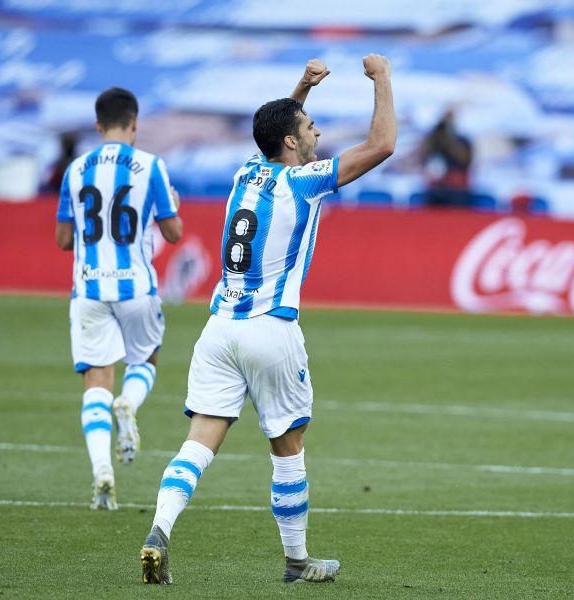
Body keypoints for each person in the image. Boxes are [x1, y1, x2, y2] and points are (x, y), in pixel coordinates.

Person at [138, 55, 395, 585]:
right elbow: (383, 145)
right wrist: (382, 78)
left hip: (219, 329)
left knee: (199, 440)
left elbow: (274, 131)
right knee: (288, 446)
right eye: (309, 126)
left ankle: (158, 529)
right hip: (270, 329)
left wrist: (302, 87)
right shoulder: (305, 183)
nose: (316, 128)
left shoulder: (245, 172)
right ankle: (298, 562)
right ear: (294, 144)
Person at [55, 87, 183, 510]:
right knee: (145, 360)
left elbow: (62, 239)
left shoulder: (75, 170)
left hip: (89, 288)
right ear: (135, 123)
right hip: (136, 288)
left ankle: (102, 474)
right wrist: (172, 206)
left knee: (95, 381)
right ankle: (129, 402)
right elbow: (173, 232)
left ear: (97, 125)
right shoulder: (151, 166)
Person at [421, 108, 473, 206]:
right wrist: (437, 137)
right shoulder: (435, 139)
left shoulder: (463, 140)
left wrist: (448, 141)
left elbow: (465, 159)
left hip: (457, 189)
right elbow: (424, 157)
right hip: (435, 188)